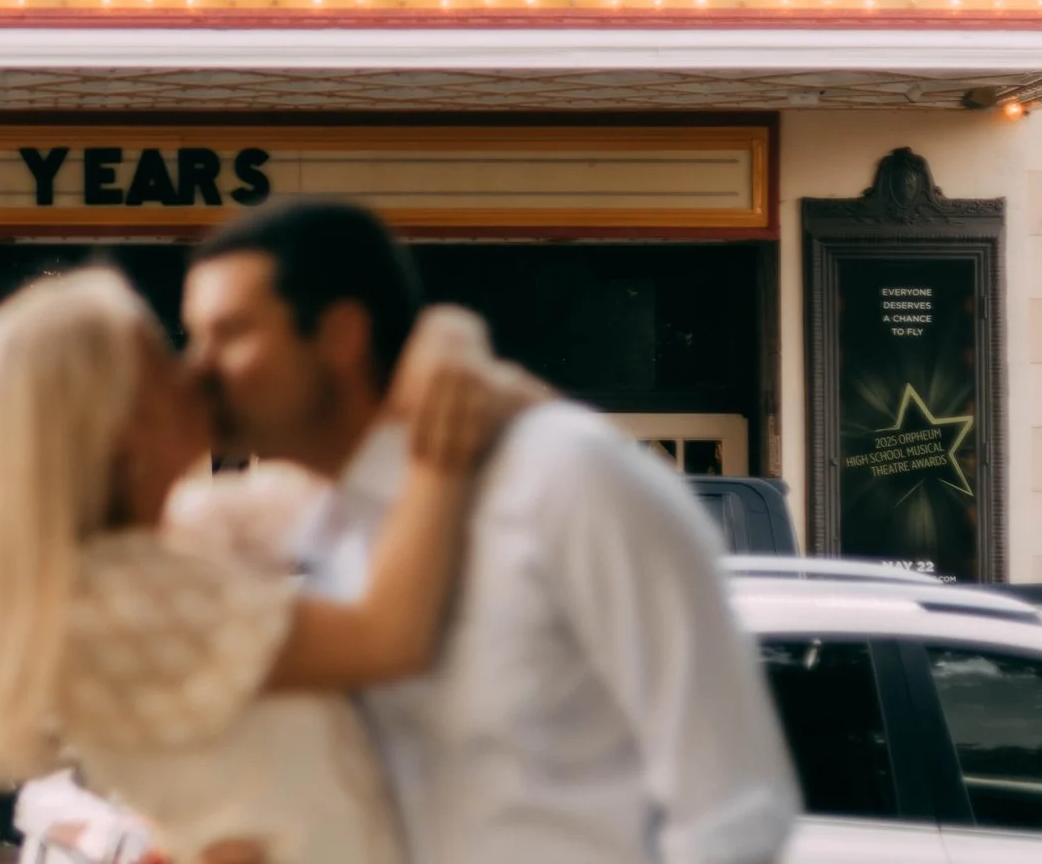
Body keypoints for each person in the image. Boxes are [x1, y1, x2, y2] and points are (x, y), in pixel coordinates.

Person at [178, 201, 799, 864]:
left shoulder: (567, 480)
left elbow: (732, 810)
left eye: (230, 333)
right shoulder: (303, 527)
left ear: (341, 335)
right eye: (194, 337)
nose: (196, 370)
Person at [0, 266, 532, 864]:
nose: (200, 371)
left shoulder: (161, 539)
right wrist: (440, 444)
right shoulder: (120, 599)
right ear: (120, 429)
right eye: (166, 366)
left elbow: (313, 504)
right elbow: (391, 637)